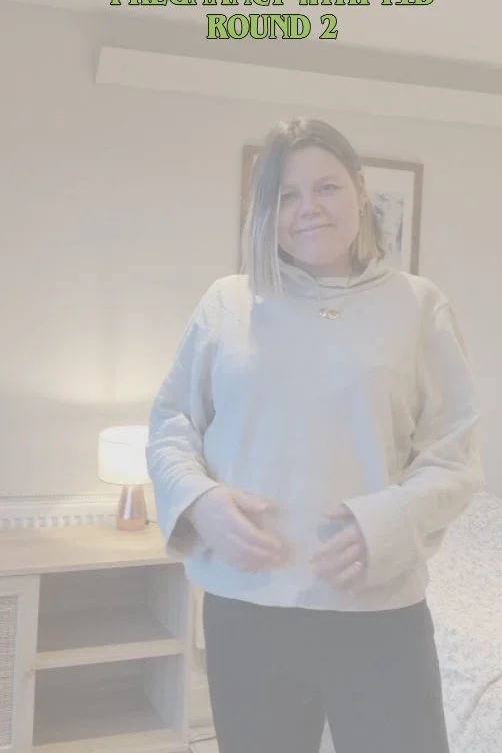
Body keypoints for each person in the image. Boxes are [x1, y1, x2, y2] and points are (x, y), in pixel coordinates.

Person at [146, 118, 483, 753]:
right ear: (264, 212)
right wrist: (200, 502)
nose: (309, 208)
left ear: (360, 189)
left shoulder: (418, 306)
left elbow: (454, 456)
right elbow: (171, 426)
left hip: (377, 609)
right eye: (286, 196)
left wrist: (387, 523)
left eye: (326, 187)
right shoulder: (227, 303)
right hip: (247, 607)